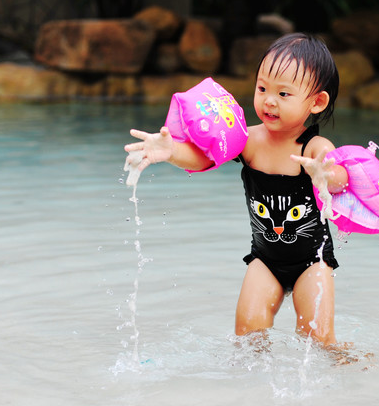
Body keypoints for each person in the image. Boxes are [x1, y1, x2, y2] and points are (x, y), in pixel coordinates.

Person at [124, 33, 347, 347]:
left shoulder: (315, 147)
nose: (269, 100)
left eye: (284, 93)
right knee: (247, 336)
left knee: (319, 340)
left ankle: (343, 362)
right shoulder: (249, 140)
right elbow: (205, 158)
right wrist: (170, 151)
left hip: (312, 261)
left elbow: (339, 178)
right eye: (262, 88)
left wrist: (324, 174)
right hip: (265, 259)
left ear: (316, 102)